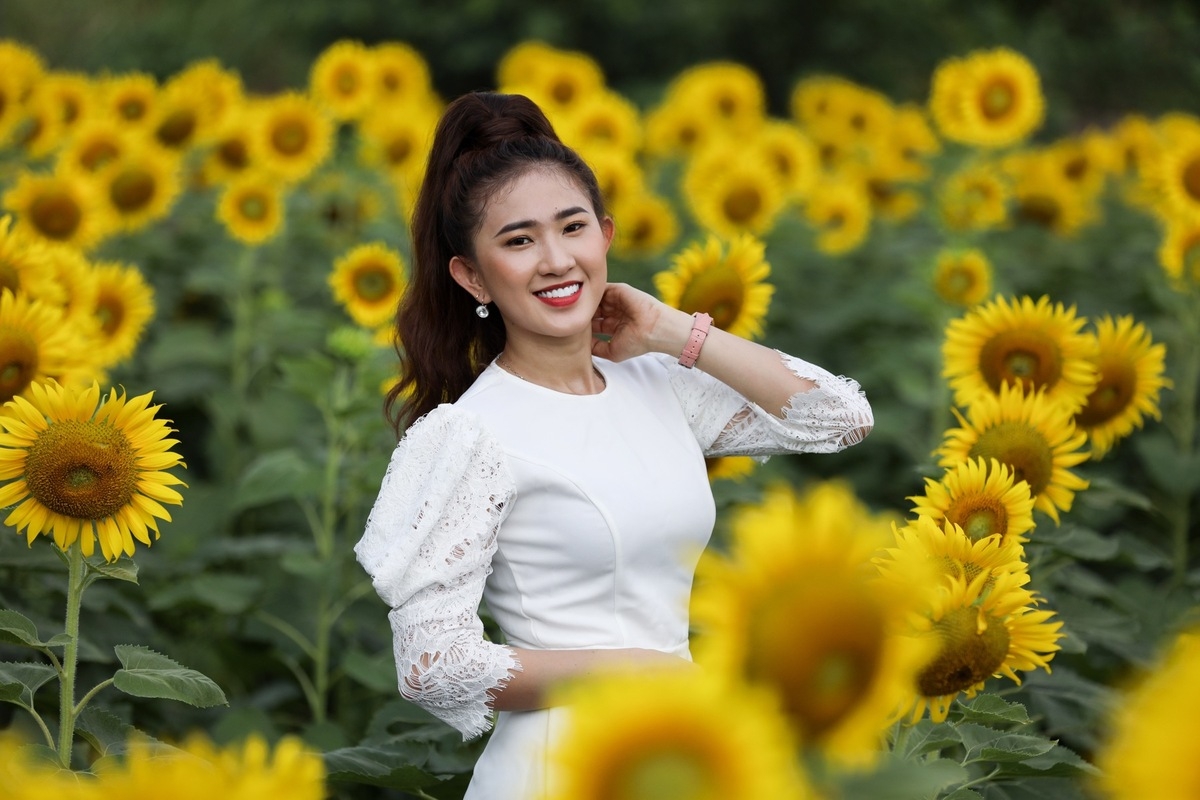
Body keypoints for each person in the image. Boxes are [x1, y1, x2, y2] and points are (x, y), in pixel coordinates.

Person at [354, 91, 874, 800]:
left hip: (678, 755)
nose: (555, 259)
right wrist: (637, 671)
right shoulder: (469, 436)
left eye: (573, 228)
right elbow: (432, 665)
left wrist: (673, 332)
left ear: (605, 234)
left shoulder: (656, 383)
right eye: (518, 241)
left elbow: (838, 417)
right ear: (472, 276)